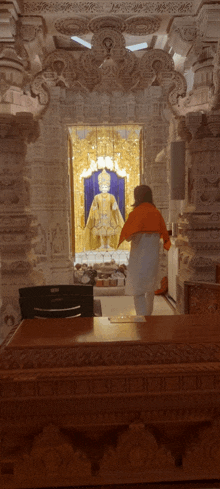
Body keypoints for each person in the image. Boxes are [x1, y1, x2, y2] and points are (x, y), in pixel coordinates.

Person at [118, 185, 171, 316]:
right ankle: (149, 316)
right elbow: (163, 236)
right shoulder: (156, 213)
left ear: (137, 197)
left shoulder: (135, 214)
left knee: (138, 289)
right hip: (153, 258)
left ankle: (142, 318)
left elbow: (128, 237)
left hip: (139, 258)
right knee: (150, 288)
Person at [84, 169, 124, 250]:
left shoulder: (111, 196)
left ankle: (108, 245)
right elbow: (94, 206)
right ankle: (102, 245)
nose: (104, 188)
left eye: (106, 186)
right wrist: (95, 211)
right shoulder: (97, 197)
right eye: (102, 186)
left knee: (109, 231)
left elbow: (114, 206)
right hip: (100, 217)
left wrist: (114, 207)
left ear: (108, 187)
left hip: (109, 217)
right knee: (101, 231)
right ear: (99, 187)